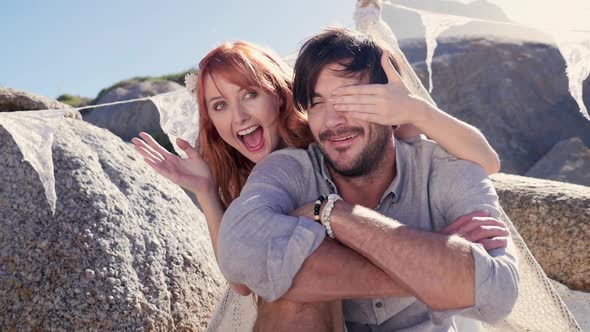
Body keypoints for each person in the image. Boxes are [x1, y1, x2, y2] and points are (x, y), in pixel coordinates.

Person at [131, 39, 509, 330]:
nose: (239, 115)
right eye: (219, 106)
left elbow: (484, 161)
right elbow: (241, 280)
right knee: (290, 295)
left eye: (249, 94)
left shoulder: (351, 134)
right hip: (311, 313)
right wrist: (207, 193)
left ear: (279, 96)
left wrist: (412, 110)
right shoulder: (254, 177)